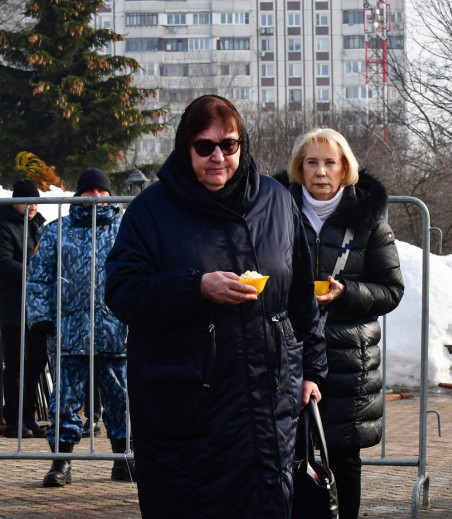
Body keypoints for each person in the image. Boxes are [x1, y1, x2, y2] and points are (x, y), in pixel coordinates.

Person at [104, 95, 327, 519]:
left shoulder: (278, 201)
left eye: (228, 144)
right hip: (186, 408)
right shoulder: (150, 212)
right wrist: (196, 287)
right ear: (184, 148)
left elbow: (300, 297)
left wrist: (313, 369)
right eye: (204, 147)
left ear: (242, 145)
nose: (218, 157)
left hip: (267, 401)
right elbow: (121, 291)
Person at [277, 127, 404, 519]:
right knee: (292, 454)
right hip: (290, 355)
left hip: (349, 359)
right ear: (299, 167)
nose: (320, 171)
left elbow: (391, 290)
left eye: (330, 162)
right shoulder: (275, 214)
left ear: (345, 167)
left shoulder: (370, 222)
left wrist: (345, 292)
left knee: (344, 458)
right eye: (311, 162)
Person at [26, 168, 133, 487]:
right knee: (65, 400)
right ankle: (61, 463)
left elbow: (140, 273)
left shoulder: (125, 229)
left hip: (115, 331)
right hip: (67, 333)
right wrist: (40, 318)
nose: (97, 198)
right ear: (79, 196)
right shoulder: (57, 231)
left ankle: (122, 460)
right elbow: (38, 278)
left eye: (103, 192)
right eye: (90, 193)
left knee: (120, 398)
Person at [1, 179, 48, 438]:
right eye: (27, 201)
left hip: (36, 309)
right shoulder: (4, 227)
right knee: (17, 365)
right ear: (15, 201)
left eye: (36, 201)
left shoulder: (37, 227)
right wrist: (36, 275)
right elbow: (4, 263)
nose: (32, 206)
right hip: (13, 308)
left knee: (36, 363)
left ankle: (29, 418)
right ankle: (15, 421)